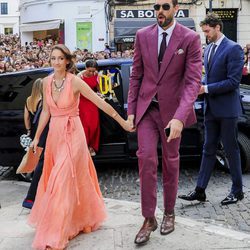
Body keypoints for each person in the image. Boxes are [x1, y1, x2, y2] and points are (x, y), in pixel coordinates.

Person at [28, 44, 133, 250]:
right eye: (53, 58)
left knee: (62, 178)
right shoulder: (46, 82)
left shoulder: (75, 82)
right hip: (55, 136)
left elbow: (100, 103)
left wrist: (123, 123)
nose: (56, 62)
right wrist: (36, 136)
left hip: (74, 133)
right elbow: (46, 113)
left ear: (67, 61)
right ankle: (73, 219)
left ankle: (56, 231)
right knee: (59, 179)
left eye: (60, 58)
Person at [127, 0, 202, 245]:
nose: (160, 10)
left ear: (176, 8)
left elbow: (192, 82)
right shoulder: (142, 35)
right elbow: (136, 74)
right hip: (147, 109)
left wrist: (180, 117)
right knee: (146, 159)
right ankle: (149, 218)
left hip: (173, 113)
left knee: (171, 162)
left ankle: (169, 212)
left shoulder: (190, 38)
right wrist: (131, 110)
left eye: (165, 6)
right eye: (157, 6)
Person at [178, 13, 244, 205]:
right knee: (208, 150)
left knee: (231, 151)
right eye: (204, 31)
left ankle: (237, 191)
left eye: (207, 31)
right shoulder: (208, 49)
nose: (205, 35)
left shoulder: (234, 48)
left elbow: (233, 82)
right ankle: (200, 190)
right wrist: (199, 85)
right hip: (211, 109)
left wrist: (205, 88)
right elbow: (210, 77)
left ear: (217, 28)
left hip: (227, 110)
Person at [22, 78, 49, 209]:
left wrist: (28, 131)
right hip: (42, 132)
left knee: (37, 158)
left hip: (33, 132)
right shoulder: (41, 101)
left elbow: (26, 118)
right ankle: (34, 196)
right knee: (42, 161)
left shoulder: (28, 100)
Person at [77, 59, 100, 156]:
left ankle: (92, 146)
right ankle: (85, 147)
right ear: (85, 68)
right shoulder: (79, 77)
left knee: (94, 125)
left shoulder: (97, 74)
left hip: (93, 102)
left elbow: (99, 89)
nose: (91, 73)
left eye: (93, 71)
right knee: (85, 126)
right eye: (89, 70)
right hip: (82, 103)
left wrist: (99, 94)